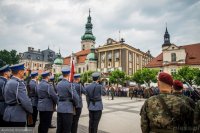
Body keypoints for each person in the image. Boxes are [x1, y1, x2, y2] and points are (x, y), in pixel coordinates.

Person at [56, 68, 79, 133]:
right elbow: (76, 97)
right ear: (69, 74)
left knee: (59, 128)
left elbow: (57, 95)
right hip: (68, 109)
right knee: (67, 129)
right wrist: (76, 105)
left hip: (60, 108)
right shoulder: (69, 84)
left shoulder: (58, 84)